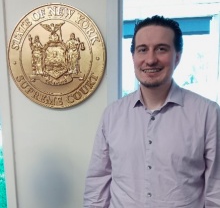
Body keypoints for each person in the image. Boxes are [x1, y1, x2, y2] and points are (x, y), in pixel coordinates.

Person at [83, 15, 220, 207]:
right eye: (142, 50)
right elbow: (98, 182)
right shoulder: (112, 115)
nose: (150, 59)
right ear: (133, 57)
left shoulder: (208, 114)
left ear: (177, 56)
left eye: (161, 49)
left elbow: (216, 188)